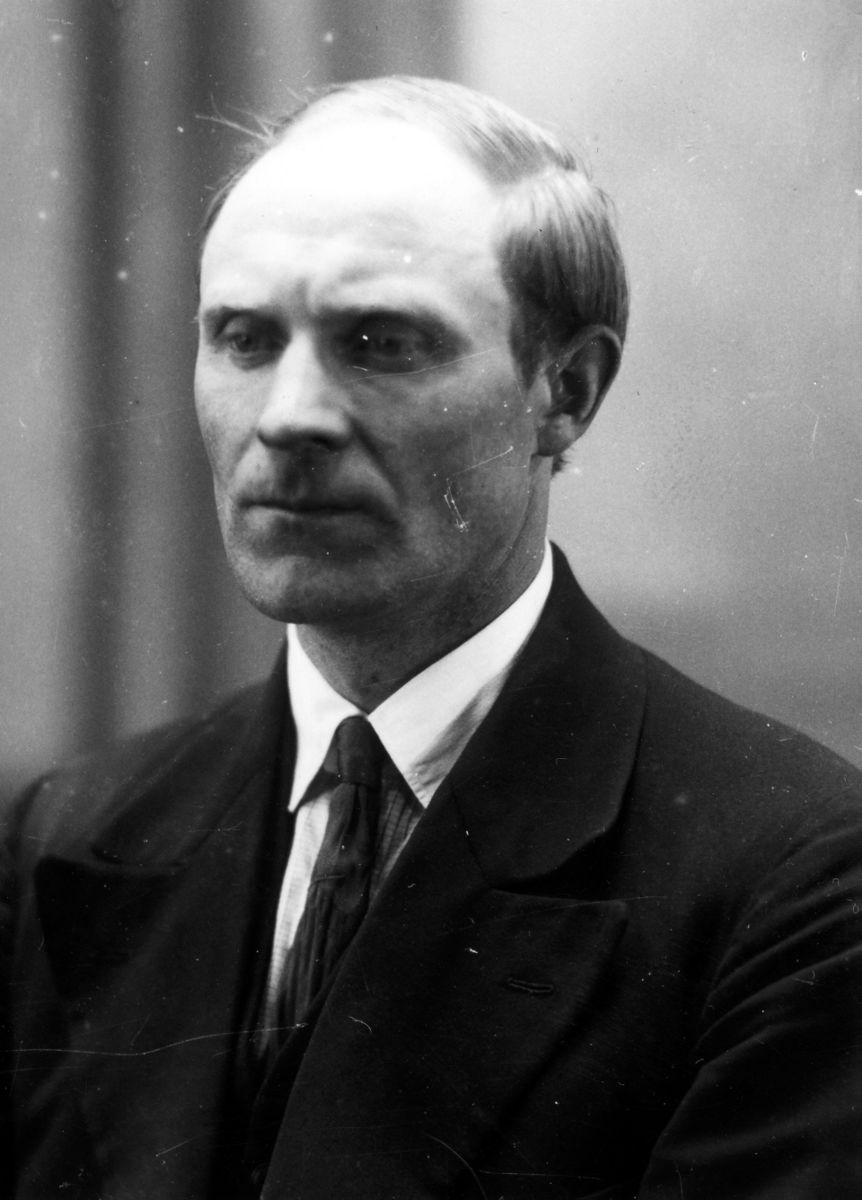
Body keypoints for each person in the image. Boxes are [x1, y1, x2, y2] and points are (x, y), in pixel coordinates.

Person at [1, 76, 860, 1200]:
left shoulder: (792, 883)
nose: (288, 416)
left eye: (381, 343)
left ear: (565, 391)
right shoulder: (69, 834)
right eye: (245, 339)